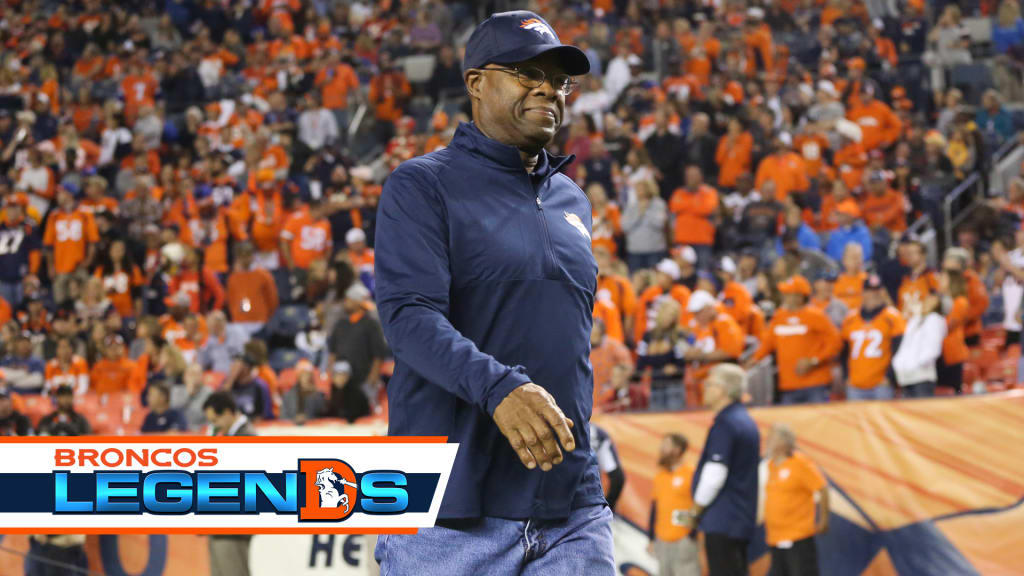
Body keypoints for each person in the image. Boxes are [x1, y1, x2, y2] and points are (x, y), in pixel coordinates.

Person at [373, 11, 614, 574]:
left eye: (558, 80)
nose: (548, 90)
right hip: (449, 512)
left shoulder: (572, 202)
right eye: (528, 73)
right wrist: (501, 387)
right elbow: (408, 316)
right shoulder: (422, 184)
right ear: (476, 83)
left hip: (570, 507)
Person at [680, 364, 760, 576]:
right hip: (737, 518)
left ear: (723, 389)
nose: (704, 388)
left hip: (723, 519)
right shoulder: (744, 420)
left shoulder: (726, 423)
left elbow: (715, 475)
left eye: (709, 384)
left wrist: (695, 511)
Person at [748, 276, 842, 405]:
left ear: (800, 296)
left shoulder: (816, 316)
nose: (785, 297)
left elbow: (835, 343)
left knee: (816, 422)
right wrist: (754, 360)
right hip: (788, 384)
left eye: (789, 294)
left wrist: (814, 360)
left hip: (815, 383)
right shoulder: (779, 316)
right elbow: (768, 343)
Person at [763, 424, 829, 576]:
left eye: (772, 437)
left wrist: (823, 519)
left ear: (784, 442)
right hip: (775, 538)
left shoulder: (800, 463)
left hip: (798, 537)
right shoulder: (772, 466)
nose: (768, 441)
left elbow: (822, 488)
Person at [203, 391, 254, 576]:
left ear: (227, 413)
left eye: (215, 421)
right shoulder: (228, 437)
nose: (214, 426)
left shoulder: (247, 437)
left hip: (234, 524)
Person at [841, 275, 905, 401]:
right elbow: (843, 351)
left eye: (877, 290)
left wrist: (889, 377)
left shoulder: (893, 317)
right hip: (855, 384)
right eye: (870, 290)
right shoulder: (850, 318)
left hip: (881, 384)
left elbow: (899, 350)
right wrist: (846, 377)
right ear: (863, 293)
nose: (874, 294)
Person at [326, 282, 389, 409]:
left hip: (363, 378)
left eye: (348, 300)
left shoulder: (371, 324)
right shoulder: (340, 323)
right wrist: (331, 373)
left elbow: (378, 354)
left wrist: (373, 376)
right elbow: (332, 351)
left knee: (364, 411)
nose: (346, 302)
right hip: (342, 380)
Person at [647, 433, 699, 576]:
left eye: (666, 445)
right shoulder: (660, 475)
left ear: (677, 450)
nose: (661, 449)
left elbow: (699, 505)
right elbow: (655, 509)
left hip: (683, 541)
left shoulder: (691, 473)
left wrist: (691, 535)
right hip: (661, 542)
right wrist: (651, 538)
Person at [590, 424, 625, 512]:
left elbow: (618, 478)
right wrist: (606, 509)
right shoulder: (597, 433)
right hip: (588, 506)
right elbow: (618, 478)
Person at [281, 359, 327, 424]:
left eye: (307, 374)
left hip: (312, 428)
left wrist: (315, 394)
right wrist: (294, 420)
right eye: (302, 374)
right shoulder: (288, 394)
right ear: (298, 376)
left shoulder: (317, 394)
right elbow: (283, 416)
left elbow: (322, 414)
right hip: (292, 429)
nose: (305, 377)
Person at [170, 363, 212, 430]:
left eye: (197, 374)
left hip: (200, 430)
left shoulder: (209, 392)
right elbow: (174, 411)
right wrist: (188, 393)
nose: (194, 377)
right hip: (179, 430)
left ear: (202, 376)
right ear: (184, 376)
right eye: (191, 374)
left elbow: (206, 415)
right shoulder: (177, 390)